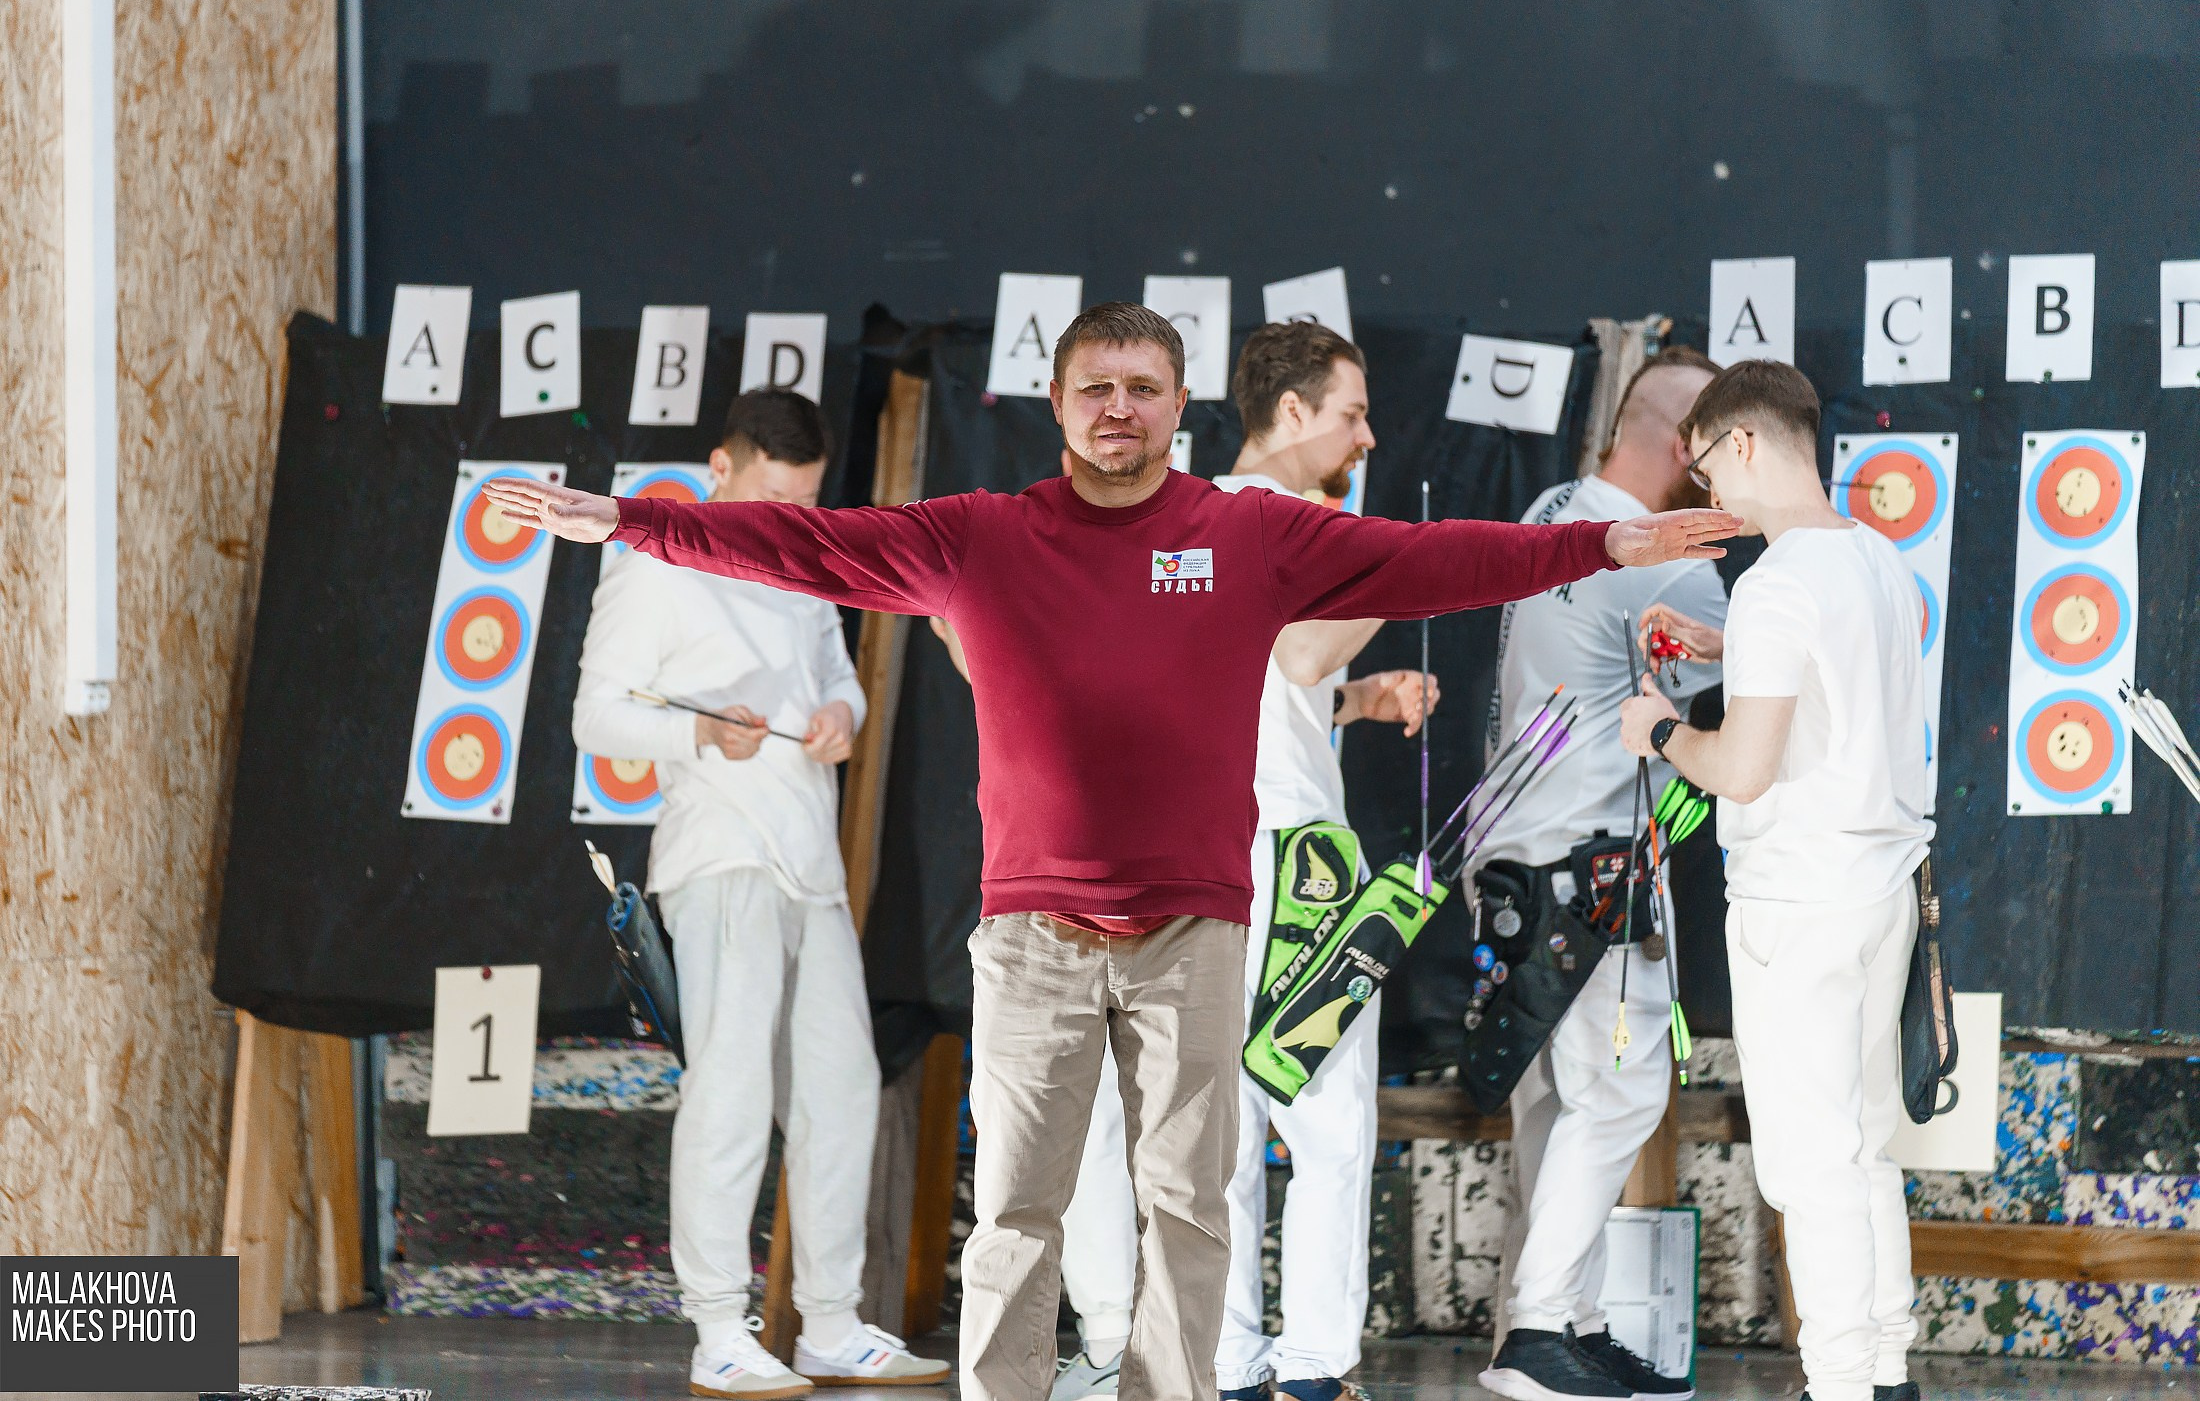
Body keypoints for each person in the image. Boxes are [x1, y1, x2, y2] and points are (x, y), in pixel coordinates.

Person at [489, 301, 1738, 1401]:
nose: (1119, 409)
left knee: (1193, 1207)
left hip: (1196, 928)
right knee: (1017, 1220)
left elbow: (1437, 560)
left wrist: (1603, 544)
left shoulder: (1248, 534)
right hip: (1031, 934)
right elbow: (803, 546)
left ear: (1177, 408)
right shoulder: (982, 535)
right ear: (1059, 405)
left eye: (1143, 388)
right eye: (1097, 387)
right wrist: (628, 520)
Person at [1045, 322, 1440, 1401]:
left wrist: (1366, 701)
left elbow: (1283, 684)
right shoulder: (1280, 523)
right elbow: (1304, 646)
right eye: (1353, 413)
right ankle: (1307, 1367)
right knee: (1325, 1114)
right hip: (1282, 856)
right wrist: (1396, 560)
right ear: (1296, 412)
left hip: (1219, 850)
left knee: (1230, 1121)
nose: (1366, 433)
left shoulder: (1196, 511)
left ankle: (1228, 1361)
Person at [572, 389, 949, 1399]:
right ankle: (716, 1332)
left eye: (805, 500)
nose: (785, 519)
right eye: (771, 498)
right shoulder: (653, 563)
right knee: (731, 1093)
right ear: (719, 472)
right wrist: (700, 732)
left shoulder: (804, 562)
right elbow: (594, 719)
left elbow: (842, 676)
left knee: (840, 1092)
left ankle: (829, 1323)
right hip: (719, 856)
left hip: (809, 861)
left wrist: (840, 713)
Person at [1619, 360, 1929, 1401]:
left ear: (1741, 443)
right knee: (1864, 1145)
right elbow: (1837, 690)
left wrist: (1662, 728)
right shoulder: (1878, 562)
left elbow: (1738, 770)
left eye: (1706, 469)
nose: (1709, 496)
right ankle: (1883, 1370)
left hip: (1797, 902)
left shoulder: (1777, 582)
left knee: (1808, 1166)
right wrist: (1725, 650)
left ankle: (1840, 1384)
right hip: (1881, 889)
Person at [1474, 347, 1727, 1401]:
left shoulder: (1550, 509)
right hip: (1594, 862)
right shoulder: (1669, 557)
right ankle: (1537, 1332)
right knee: (1623, 1091)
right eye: (1717, 446)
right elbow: (1746, 690)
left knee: (1553, 1099)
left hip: (1507, 851)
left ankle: (1564, 1324)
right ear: (1684, 448)